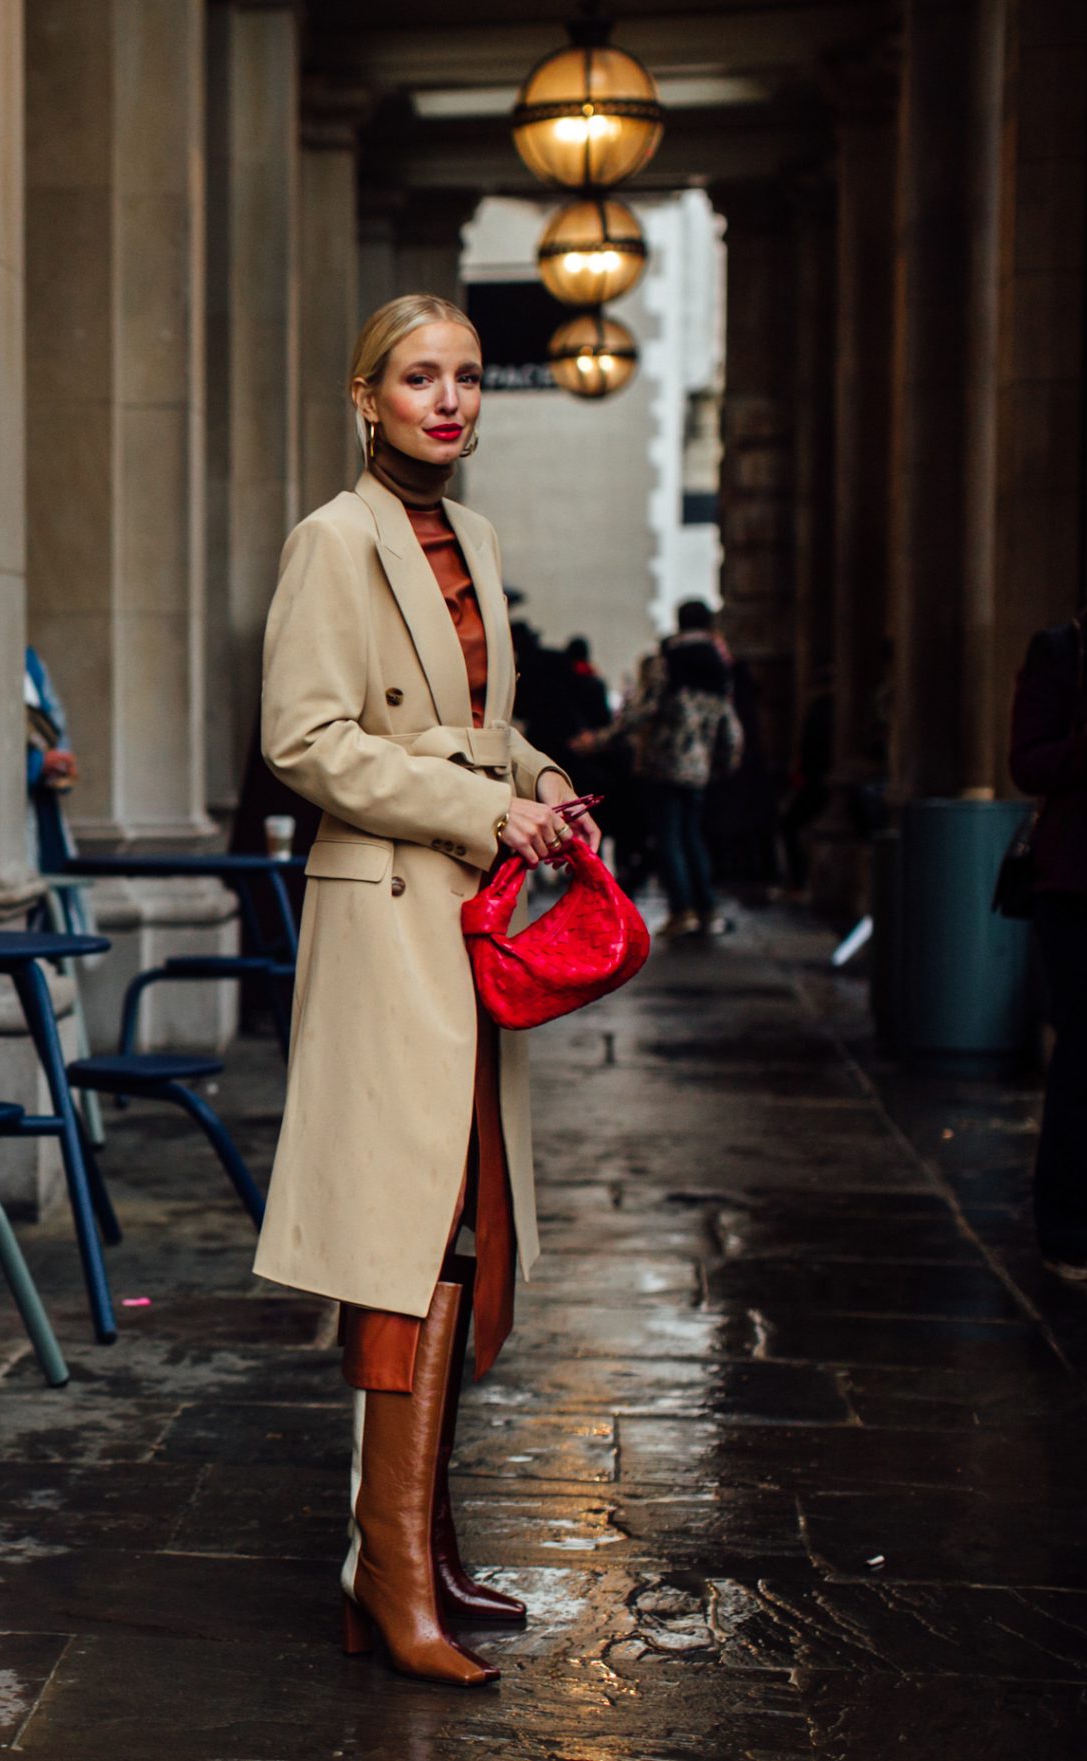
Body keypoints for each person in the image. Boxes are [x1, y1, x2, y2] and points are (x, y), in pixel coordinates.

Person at [257, 295, 592, 1688]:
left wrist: (545, 784)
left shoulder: (479, 536)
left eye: (463, 378)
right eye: (418, 378)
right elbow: (307, 739)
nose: (446, 399)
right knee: (408, 1235)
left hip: (467, 925)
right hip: (390, 918)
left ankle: (419, 1551)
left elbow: (480, 726)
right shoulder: (332, 540)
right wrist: (475, 809)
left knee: (469, 1233)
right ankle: (385, 1574)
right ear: (365, 396)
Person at [1008, 554, 1087, 1274]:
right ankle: (1070, 1225)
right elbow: (1029, 761)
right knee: (1085, 1051)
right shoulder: (1063, 650)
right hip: (1081, 883)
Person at [586, 603, 742, 935]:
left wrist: (601, 739)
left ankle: (682, 910)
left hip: (662, 763)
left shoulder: (667, 661)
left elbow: (641, 712)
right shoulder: (718, 668)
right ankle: (707, 908)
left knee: (669, 837)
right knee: (692, 836)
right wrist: (723, 763)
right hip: (699, 768)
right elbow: (730, 726)